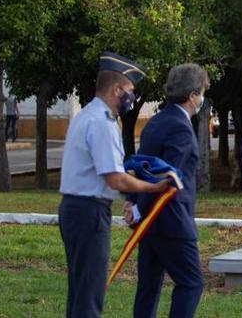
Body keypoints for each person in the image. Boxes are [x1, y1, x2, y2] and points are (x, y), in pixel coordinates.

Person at [59, 52, 170, 318]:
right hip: (89, 212)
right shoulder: (103, 122)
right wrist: (152, 187)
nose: (132, 97)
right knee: (89, 295)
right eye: (130, 91)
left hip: (75, 208)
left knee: (80, 290)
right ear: (117, 89)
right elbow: (114, 177)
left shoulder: (86, 115)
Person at [125, 63, 210, 318]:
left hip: (150, 223)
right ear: (192, 96)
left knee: (149, 287)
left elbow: (142, 163)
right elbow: (167, 178)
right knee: (191, 283)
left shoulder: (156, 121)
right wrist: (139, 208)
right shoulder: (181, 128)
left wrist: (133, 203)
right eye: (202, 92)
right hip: (171, 218)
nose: (203, 98)